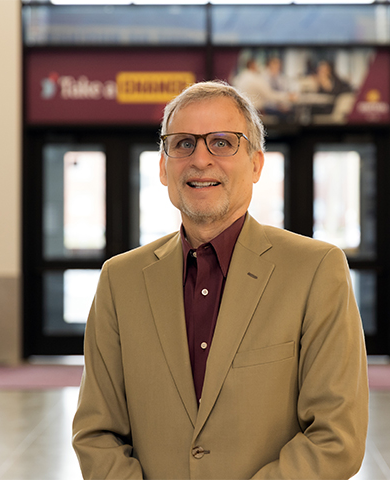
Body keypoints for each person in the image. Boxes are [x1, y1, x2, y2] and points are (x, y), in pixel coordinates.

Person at [72, 80, 368, 479]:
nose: (200, 159)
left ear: (257, 164)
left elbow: (336, 438)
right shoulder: (119, 280)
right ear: (163, 167)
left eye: (223, 142)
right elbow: (96, 431)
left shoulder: (316, 270)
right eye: (183, 144)